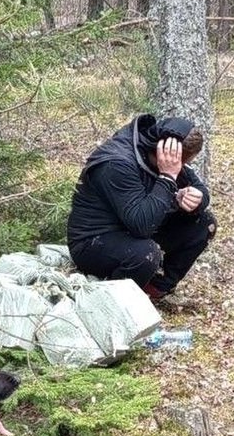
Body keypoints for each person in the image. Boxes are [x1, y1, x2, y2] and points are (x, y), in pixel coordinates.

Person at [66, 113, 216, 301]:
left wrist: (195, 198)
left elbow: (200, 189)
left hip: (133, 230)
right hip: (93, 241)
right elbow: (142, 225)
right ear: (167, 153)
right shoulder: (116, 163)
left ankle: (154, 289)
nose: (183, 167)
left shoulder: (164, 152)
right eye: (184, 163)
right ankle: (113, 300)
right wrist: (168, 178)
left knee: (204, 222)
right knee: (146, 253)